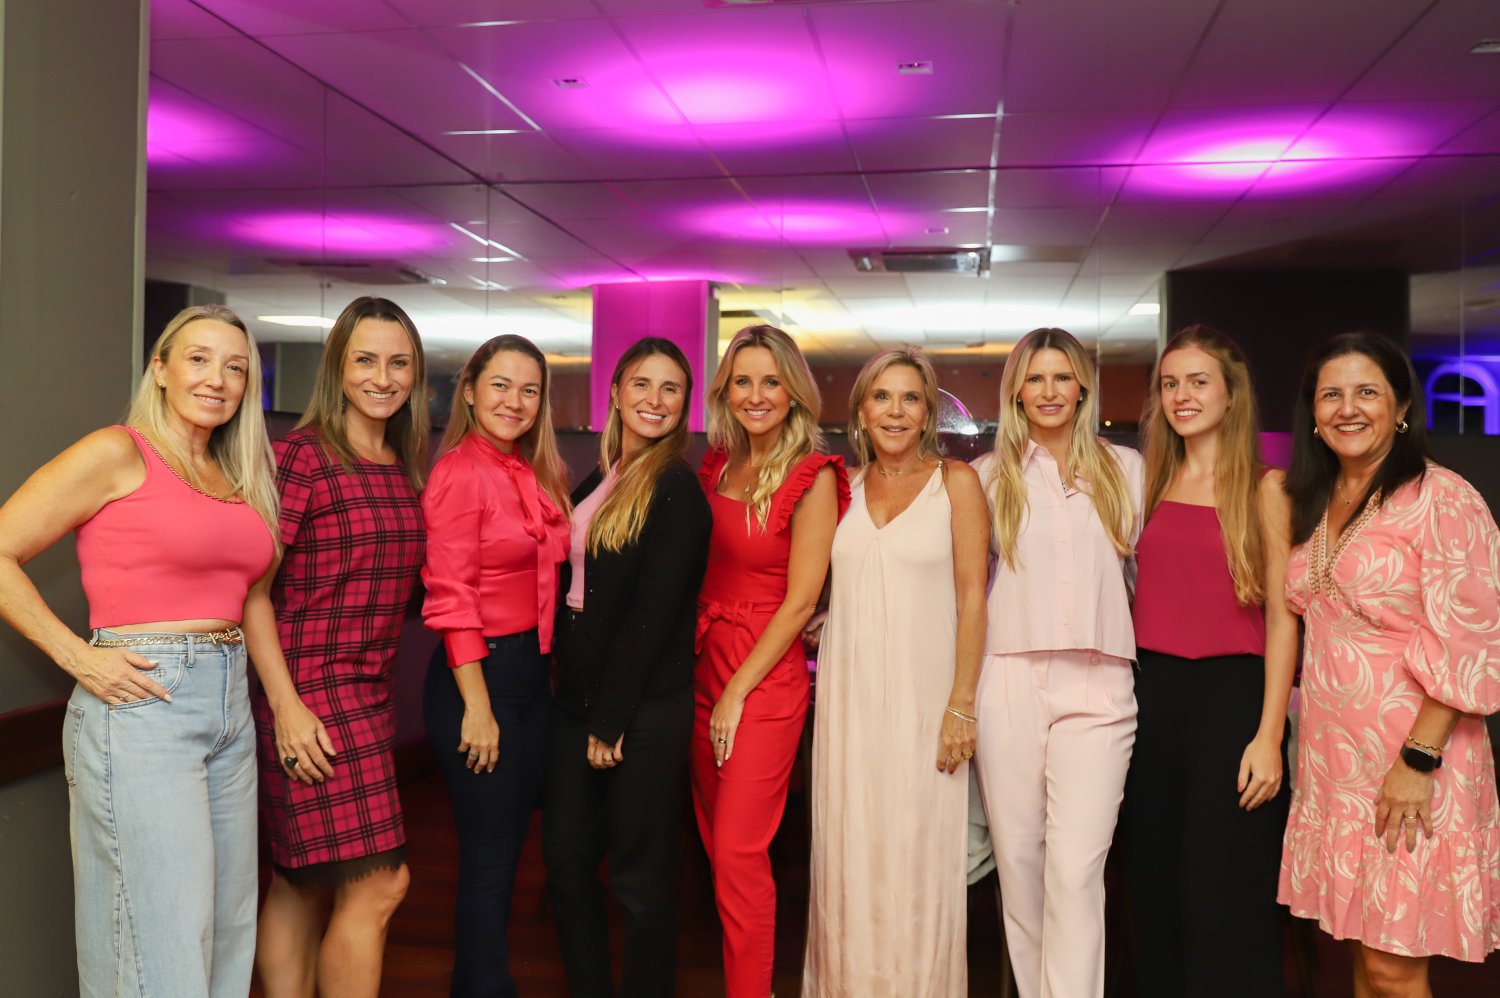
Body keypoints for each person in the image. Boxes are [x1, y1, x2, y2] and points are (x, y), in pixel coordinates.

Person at [0, 305, 329, 996]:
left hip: (229, 706)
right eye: (198, 359)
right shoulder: (117, 452)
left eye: (235, 367)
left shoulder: (237, 474)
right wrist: (79, 656)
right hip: (145, 703)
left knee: (227, 931)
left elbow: (251, 597)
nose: (217, 379)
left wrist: (282, 702)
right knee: (162, 938)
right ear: (161, 368)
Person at [1281, 332, 1500, 993]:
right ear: (1313, 413)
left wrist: (1418, 761)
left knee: (1392, 965)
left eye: (1367, 392)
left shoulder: (1442, 497)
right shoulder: (1316, 498)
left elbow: (1472, 641)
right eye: (1332, 395)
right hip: (1334, 767)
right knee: (1360, 953)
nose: (1348, 408)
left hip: (1410, 763)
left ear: (1401, 407)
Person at [253, 297, 430, 998]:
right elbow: (252, 593)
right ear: (337, 368)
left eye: (399, 363)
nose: (382, 378)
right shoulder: (301, 457)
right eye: (365, 360)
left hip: (370, 693)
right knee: (383, 883)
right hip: (309, 695)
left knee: (300, 880)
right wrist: (286, 707)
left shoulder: (401, 464)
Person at [801, 347, 988, 997]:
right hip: (849, 704)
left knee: (918, 859)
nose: (896, 411)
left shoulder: (956, 483)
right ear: (860, 412)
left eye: (910, 398)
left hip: (926, 702)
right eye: (882, 397)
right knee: (850, 854)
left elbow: (973, 598)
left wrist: (961, 705)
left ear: (928, 413)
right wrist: (827, 614)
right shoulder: (839, 489)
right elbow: (826, 580)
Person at [1123, 325, 1296, 997]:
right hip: (1151, 698)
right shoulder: (1148, 482)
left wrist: (1270, 734)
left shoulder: (1267, 489)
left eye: (1198, 382)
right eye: (1170, 384)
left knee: (1223, 892)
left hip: (1233, 701)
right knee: (1155, 885)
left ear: (1231, 394)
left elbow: (1283, 618)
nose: (1182, 396)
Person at [971, 326, 1143, 998]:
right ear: (1017, 390)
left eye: (1061, 377)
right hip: (1008, 678)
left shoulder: (1127, 469)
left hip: (1101, 683)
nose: (1048, 391)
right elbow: (956, 586)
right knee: (1020, 866)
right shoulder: (987, 477)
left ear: (1081, 387)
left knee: (1074, 870)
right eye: (1035, 378)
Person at [543, 338, 712, 997]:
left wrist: (610, 720)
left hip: (640, 710)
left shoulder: (676, 489)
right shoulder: (602, 477)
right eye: (642, 384)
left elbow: (652, 616)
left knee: (641, 881)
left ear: (685, 405)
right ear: (614, 393)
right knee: (565, 862)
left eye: (671, 389)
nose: (655, 400)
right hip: (579, 703)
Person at [693, 324, 849, 998]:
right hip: (702, 663)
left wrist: (736, 693)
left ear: (794, 393)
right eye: (743, 381)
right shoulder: (717, 465)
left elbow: (801, 600)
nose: (756, 395)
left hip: (762, 676)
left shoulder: (812, 475)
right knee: (715, 849)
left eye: (771, 382)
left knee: (738, 852)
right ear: (726, 390)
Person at [421, 333, 571, 997]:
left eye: (529, 390)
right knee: (488, 860)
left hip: (530, 678)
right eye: (501, 385)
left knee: (508, 855)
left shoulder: (533, 469)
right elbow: (451, 597)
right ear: (471, 392)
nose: (515, 401)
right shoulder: (460, 472)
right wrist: (478, 708)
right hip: (478, 681)